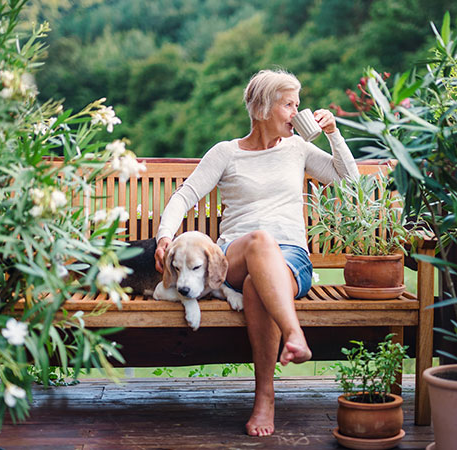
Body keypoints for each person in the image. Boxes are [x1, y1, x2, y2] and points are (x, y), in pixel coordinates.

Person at [154, 69, 359, 436]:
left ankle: (265, 398)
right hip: (233, 255)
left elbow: (350, 182)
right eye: (289, 105)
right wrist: (163, 237)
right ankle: (294, 334)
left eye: (298, 105)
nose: (297, 113)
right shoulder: (226, 153)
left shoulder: (298, 149)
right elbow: (185, 196)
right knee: (261, 240)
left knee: (254, 288)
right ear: (263, 108)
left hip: (291, 259)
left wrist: (333, 133)